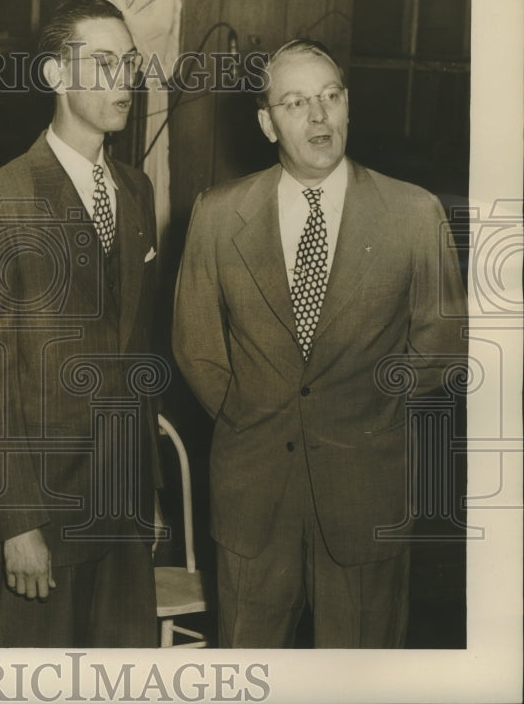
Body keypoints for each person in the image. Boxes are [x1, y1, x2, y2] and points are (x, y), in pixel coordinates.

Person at [172, 38, 467, 648]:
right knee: (247, 675)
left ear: (348, 106)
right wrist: (250, 416)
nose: (317, 117)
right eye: (295, 102)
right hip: (253, 498)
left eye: (330, 97)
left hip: (368, 493)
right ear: (265, 121)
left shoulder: (413, 214)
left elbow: (441, 347)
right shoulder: (218, 214)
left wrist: (369, 417)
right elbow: (196, 345)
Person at [0, 0, 163, 648]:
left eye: (128, 63)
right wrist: (16, 524)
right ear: (53, 75)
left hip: (121, 515)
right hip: (38, 518)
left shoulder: (136, 191)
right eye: (102, 63)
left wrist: (146, 490)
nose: (122, 81)